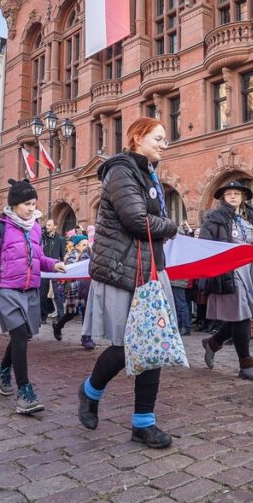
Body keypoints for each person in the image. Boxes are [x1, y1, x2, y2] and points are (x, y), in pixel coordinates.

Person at [76, 118, 180, 449]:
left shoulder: (148, 174)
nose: (165, 143)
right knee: (125, 347)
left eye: (166, 139)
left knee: (153, 348)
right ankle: (90, 390)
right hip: (124, 271)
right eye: (158, 138)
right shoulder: (121, 170)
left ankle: (143, 424)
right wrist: (172, 225)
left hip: (149, 270)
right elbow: (137, 220)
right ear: (136, 138)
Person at [0, 180, 65, 412]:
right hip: (7, 289)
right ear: (15, 204)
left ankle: (2, 370)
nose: (31, 208)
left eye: (34, 203)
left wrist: (54, 264)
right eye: (27, 204)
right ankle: (25, 392)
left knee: (25, 335)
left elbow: (38, 257)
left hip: (30, 290)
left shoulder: (35, 227)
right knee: (18, 335)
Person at [200, 180, 253, 380]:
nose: (232, 196)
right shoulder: (214, 218)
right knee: (242, 316)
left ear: (243, 197)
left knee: (240, 315)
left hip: (249, 270)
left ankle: (212, 343)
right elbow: (205, 246)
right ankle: (246, 364)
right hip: (229, 271)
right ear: (223, 197)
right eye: (228, 193)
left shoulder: (251, 219)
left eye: (236, 193)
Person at [52, 235, 94, 349]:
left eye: (87, 244)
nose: (86, 247)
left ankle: (86, 337)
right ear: (77, 246)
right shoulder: (72, 256)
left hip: (87, 287)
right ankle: (58, 325)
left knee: (87, 312)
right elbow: (69, 270)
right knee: (72, 312)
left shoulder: (91, 255)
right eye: (83, 245)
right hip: (75, 287)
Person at [39, 219, 65, 322]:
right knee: (42, 293)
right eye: (47, 225)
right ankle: (43, 316)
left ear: (55, 226)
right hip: (44, 268)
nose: (47, 227)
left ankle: (61, 316)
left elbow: (63, 255)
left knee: (57, 293)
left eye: (49, 225)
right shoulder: (42, 237)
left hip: (56, 268)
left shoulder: (61, 239)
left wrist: (62, 267)